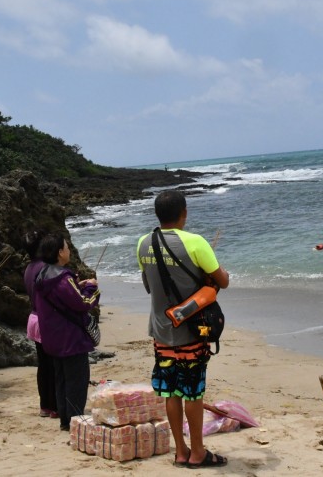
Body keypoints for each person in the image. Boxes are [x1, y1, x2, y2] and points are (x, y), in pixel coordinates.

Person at [136, 190, 229, 468]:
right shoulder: (196, 242)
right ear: (184, 213)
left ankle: (180, 451)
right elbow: (222, 281)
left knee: (172, 392)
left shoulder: (142, 243)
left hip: (161, 331)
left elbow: (149, 285)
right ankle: (198, 452)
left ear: (157, 215)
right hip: (191, 331)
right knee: (193, 393)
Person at [35, 233, 100, 431]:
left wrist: (78, 287)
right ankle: (74, 421)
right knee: (76, 381)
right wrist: (92, 289)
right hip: (71, 338)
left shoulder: (42, 274)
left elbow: (66, 298)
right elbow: (83, 303)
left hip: (53, 337)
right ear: (59, 253)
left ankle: (66, 419)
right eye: (66, 247)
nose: (69, 251)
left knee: (61, 380)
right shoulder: (62, 277)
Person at [23, 229, 58, 419]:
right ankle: (54, 405)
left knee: (44, 365)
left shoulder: (29, 268)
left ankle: (45, 405)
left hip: (34, 319)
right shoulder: (45, 268)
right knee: (53, 365)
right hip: (45, 320)